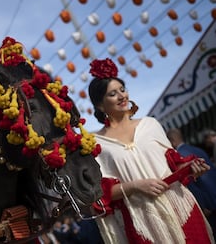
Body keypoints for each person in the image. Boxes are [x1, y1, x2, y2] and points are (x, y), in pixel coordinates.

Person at [87, 58, 214, 243]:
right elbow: (101, 194)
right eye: (113, 94)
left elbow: (174, 165)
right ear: (100, 105)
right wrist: (136, 186)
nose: (122, 96)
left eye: (123, 90)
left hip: (181, 207)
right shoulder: (96, 143)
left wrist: (191, 167)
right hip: (142, 220)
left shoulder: (150, 124)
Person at [167, 128, 216, 239]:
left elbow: (190, 183)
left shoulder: (180, 157)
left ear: (172, 141)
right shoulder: (196, 149)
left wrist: (202, 205)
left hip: (209, 203)